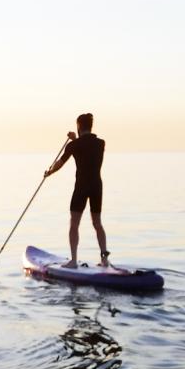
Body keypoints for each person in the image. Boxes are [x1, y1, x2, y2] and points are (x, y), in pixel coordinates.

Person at [43, 113, 110, 269]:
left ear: (79, 126)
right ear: (91, 126)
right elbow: (86, 148)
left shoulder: (74, 146)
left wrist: (49, 172)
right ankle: (105, 260)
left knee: (74, 224)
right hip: (96, 186)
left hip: (81, 187)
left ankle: (73, 261)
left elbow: (60, 163)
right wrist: (75, 140)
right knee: (97, 223)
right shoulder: (101, 143)